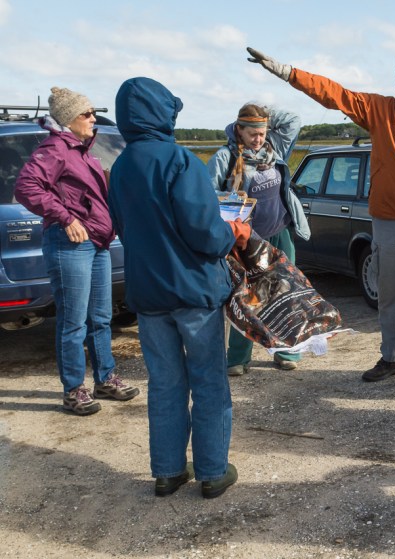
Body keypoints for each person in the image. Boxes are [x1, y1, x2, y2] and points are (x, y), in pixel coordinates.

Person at [246, 47, 395, 391]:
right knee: (388, 294)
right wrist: (286, 71)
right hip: (387, 222)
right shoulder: (380, 110)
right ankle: (392, 358)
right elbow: (334, 94)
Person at [109, 77, 248, 498]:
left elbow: (122, 227)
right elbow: (206, 235)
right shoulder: (180, 161)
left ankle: (168, 471)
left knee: (165, 384)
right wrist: (232, 233)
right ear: (163, 113)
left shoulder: (119, 166)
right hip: (194, 292)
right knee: (208, 380)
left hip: (148, 294)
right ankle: (211, 471)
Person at [14, 86, 139, 416]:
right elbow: (26, 186)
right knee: (72, 322)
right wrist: (65, 216)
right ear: (68, 119)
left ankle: (105, 379)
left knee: (100, 317)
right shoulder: (55, 148)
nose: (92, 118)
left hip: (97, 243)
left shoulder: (81, 149)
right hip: (69, 245)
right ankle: (73, 390)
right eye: (86, 113)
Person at [207, 103, 310, 376]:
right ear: (238, 130)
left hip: (281, 232)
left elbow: (293, 119)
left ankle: (286, 350)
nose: (258, 138)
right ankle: (238, 358)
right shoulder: (223, 157)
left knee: (285, 292)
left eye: (262, 132)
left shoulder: (275, 148)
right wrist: (230, 203)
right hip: (247, 240)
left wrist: (266, 112)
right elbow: (207, 197)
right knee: (246, 297)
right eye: (252, 132)